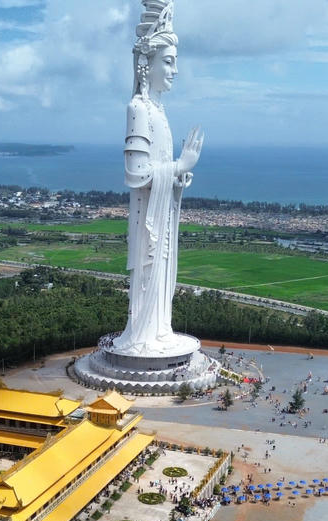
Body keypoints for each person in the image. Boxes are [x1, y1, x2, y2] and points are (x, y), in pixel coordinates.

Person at [113, 0, 203, 355]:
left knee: (163, 275)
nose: (175, 71)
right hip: (146, 220)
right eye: (168, 61)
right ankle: (144, 334)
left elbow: (158, 170)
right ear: (145, 64)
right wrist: (179, 166)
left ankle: (159, 329)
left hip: (161, 214)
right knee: (150, 274)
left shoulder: (159, 112)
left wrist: (179, 179)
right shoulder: (138, 109)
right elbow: (137, 174)